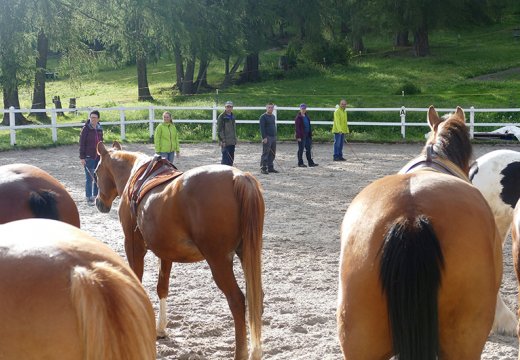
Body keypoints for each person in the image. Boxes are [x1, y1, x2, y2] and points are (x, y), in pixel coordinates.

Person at [79, 110, 103, 206]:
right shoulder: (85, 129)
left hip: (98, 156)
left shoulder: (100, 128)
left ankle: (96, 196)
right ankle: (88, 197)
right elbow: (82, 143)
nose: (93, 119)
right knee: (89, 178)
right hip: (89, 157)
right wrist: (82, 157)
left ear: (98, 119)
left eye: (95, 117)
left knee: (97, 177)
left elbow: (101, 142)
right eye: (91, 117)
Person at [259, 102, 278, 174]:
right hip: (267, 137)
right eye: (269, 107)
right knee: (265, 152)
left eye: (272, 107)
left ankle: (270, 167)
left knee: (272, 153)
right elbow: (262, 128)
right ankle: (263, 168)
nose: (270, 109)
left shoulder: (273, 116)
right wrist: (264, 137)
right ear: (266, 108)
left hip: (273, 136)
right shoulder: (263, 117)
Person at [217, 100, 237, 166]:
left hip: (232, 141)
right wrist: (223, 140)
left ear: (232, 108)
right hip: (225, 141)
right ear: (225, 107)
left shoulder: (233, 116)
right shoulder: (221, 117)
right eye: (227, 106)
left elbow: (233, 129)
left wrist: (235, 140)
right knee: (225, 159)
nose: (229, 108)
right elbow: (220, 130)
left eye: (230, 106)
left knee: (231, 158)